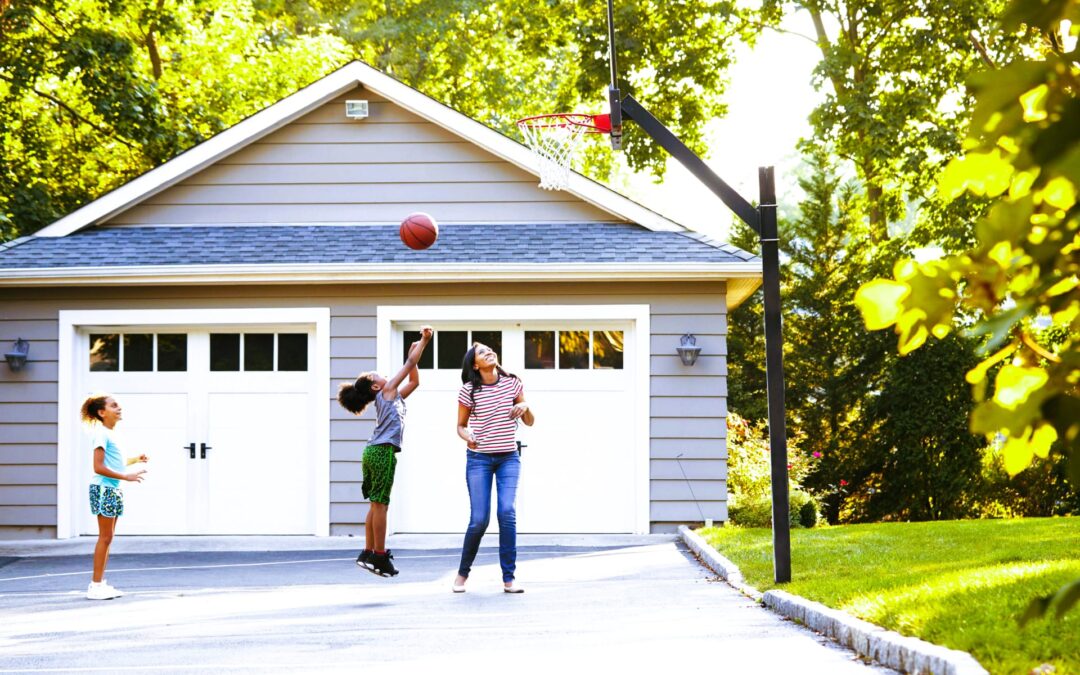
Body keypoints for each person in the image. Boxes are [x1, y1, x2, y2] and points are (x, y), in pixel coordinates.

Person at [338, 326, 433, 577]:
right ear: (376, 387)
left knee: (375, 504)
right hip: (381, 453)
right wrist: (423, 342)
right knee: (381, 505)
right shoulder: (388, 391)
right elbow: (410, 363)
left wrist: (414, 349)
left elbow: (415, 380)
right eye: (375, 375)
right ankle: (379, 556)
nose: (380, 375)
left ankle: (368, 551)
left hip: (372, 451)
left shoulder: (394, 396)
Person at [452, 342, 535, 594]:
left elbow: (529, 422)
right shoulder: (469, 391)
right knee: (479, 520)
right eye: (482, 352)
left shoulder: (512, 383)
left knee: (507, 513)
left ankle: (509, 578)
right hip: (479, 460)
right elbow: (460, 426)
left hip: (508, 457)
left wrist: (526, 407)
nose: (489, 352)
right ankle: (462, 573)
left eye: (490, 349)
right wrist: (468, 436)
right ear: (475, 365)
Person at [80, 394, 147, 601]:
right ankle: (95, 586)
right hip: (103, 490)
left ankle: (100, 583)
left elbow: (114, 463)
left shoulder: (111, 433)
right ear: (102, 412)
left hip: (112, 489)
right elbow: (98, 467)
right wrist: (125, 477)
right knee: (105, 537)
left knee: (108, 538)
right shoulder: (100, 434)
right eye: (114, 406)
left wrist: (135, 459)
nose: (119, 408)